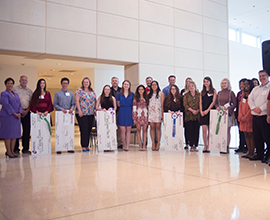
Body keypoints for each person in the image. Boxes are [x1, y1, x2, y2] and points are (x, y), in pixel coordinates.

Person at [248, 70, 270, 163]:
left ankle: (268, 155)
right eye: (260, 76)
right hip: (255, 116)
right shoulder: (256, 88)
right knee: (257, 136)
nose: (261, 78)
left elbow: (268, 102)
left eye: (263, 76)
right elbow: (250, 99)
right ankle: (259, 154)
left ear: (268, 76)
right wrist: (253, 108)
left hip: (265, 116)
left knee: (267, 137)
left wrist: (261, 108)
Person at [0, 78, 22, 158]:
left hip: (16, 117)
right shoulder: (3, 94)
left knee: (14, 135)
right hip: (8, 116)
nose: (10, 85)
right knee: (8, 135)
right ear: (5, 84)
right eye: (8, 83)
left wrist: (19, 112)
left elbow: (19, 104)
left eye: (11, 83)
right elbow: (6, 105)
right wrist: (14, 113)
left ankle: (12, 151)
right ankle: (8, 151)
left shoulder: (15, 94)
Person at [53, 77, 75, 154]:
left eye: (66, 83)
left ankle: (69, 147)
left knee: (69, 131)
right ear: (61, 84)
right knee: (60, 131)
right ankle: (59, 147)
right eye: (63, 83)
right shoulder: (57, 93)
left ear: (68, 84)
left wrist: (72, 108)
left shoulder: (71, 94)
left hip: (69, 115)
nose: (65, 84)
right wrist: (61, 109)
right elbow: (55, 104)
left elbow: (73, 104)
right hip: (61, 114)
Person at [215, 78, 237, 153]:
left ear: (228, 84)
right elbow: (216, 103)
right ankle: (222, 145)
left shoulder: (231, 93)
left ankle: (227, 146)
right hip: (220, 113)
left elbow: (235, 104)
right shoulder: (219, 93)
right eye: (222, 83)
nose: (224, 84)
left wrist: (228, 108)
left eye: (225, 83)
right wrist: (217, 107)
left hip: (228, 113)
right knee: (221, 130)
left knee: (227, 131)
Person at [13, 75, 33, 155]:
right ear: (19, 81)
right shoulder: (15, 89)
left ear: (27, 81)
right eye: (22, 80)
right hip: (17, 113)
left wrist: (27, 110)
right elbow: (13, 101)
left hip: (27, 112)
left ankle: (25, 148)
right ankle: (15, 148)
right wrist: (20, 111)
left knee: (27, 131)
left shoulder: (29, 91)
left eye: (25, 80)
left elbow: (31, 102)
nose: (24, 81)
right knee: (16, 131)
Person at [75, 77, 96, 152]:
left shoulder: (92, 91)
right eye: (84, 82)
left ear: (89, 83)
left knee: (89, 129)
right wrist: (79, 110)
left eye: (87, 82)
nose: (86, 83)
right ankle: (84, 146)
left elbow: (94, 101)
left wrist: (95, 109)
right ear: (82, 83)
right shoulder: (79, 91)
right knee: (84, 130)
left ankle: (87, 145)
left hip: (91, 113)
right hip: (82, 114)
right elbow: (77, 100)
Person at [238, 80, 255, 158]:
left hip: (249, 118)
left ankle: (252, 152)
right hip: (243, 118)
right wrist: (240, 116)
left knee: (251, 135)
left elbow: (251, 108)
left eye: (247, 84)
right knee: (246, 134)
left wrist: (246, 117)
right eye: (244, 84)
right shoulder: (243, 95)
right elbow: (240, 106)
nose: (246, 86)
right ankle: (249, 152)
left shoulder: (253, 94)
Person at [200, 77, 216, 153]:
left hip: (210, 111)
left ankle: (209, 146)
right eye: (204, 81)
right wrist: (201, 111)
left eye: (207, 81)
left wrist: (207, 110)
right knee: (204, 130)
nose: (206, 83)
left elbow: (213, 102)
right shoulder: (202, 92)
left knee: (210, 130)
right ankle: (205, 145)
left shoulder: (214, 91)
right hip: (203, 112)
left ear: (210, 82)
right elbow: (200, 102)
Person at [116, 80, 134, 151]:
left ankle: (127, 145)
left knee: (128, 130)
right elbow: (118, 104)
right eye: (125, 84)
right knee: (122, 130)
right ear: (123, 85)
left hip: (129, 111)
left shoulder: (132, 94)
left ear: (129, 86)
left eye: (127, 84)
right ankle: (123, 144)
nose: (126, 85)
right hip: (122, 111)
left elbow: (133, 103)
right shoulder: (119, 94)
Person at [183, 81, 200, 152]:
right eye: (189, 86)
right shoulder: (186, 95)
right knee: (190, 130)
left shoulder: (199, 95)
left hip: (197, 115)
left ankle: (195, 145)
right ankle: (191, 145)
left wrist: (198, 110)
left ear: (195, 87)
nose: (191, 87)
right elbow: (185, 104)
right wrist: (192, 110)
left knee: (196, 130)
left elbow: (201, 103)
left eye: (192, 86)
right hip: (189, 115)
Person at [148, 81, 165, 151]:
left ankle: (158, 143)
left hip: (158, 112)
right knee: (152, 127)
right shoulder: (149, 94)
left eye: (155, 85)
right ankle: (153, 143)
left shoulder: (161, 93)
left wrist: (162, 114)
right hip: (151, 112)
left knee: (158, 128)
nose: (154, 86)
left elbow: (162, 104)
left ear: (157, 85)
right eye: (152, 85)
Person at [133, 85, 149, 151]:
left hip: (145, 116)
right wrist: (134, 118)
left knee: (145, 130)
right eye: (139, 89)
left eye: (142, 89)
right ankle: (140, 145)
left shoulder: (147, 98)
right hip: (138, 116)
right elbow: (134, 109)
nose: (141, 91)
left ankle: (144, 145)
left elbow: (148, 108)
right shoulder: (135, 99)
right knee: (138, 130)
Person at [235, 78, 248, 153]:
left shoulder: (248, 93)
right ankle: (241, 146)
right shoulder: (238, 94)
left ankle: (247, 147)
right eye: (240, 84)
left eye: (243, 84)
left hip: (246, 114)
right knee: (240, 131)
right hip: (239, 114)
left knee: (246, 132)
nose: (241, 85)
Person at [180, 77, 192, 149]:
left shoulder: (195, 91)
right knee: (186, 128)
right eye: (187, 81)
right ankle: (187, 143)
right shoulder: (182, 91)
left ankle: (192, 143)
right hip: (185, 112)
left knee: (192, 128)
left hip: (193, 112)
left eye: (189, 81)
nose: (188, 83)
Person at [111, 76, 122, 149]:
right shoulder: (109, 90)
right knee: (112, 127)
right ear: (111, 82)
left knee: (119, 127)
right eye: (113, 81)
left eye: (116, 81)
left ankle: (120, 142)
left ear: (118, 82)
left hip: (120, 110)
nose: (115, 82)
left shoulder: (122, 90)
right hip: (111, 111)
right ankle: (111, 142)